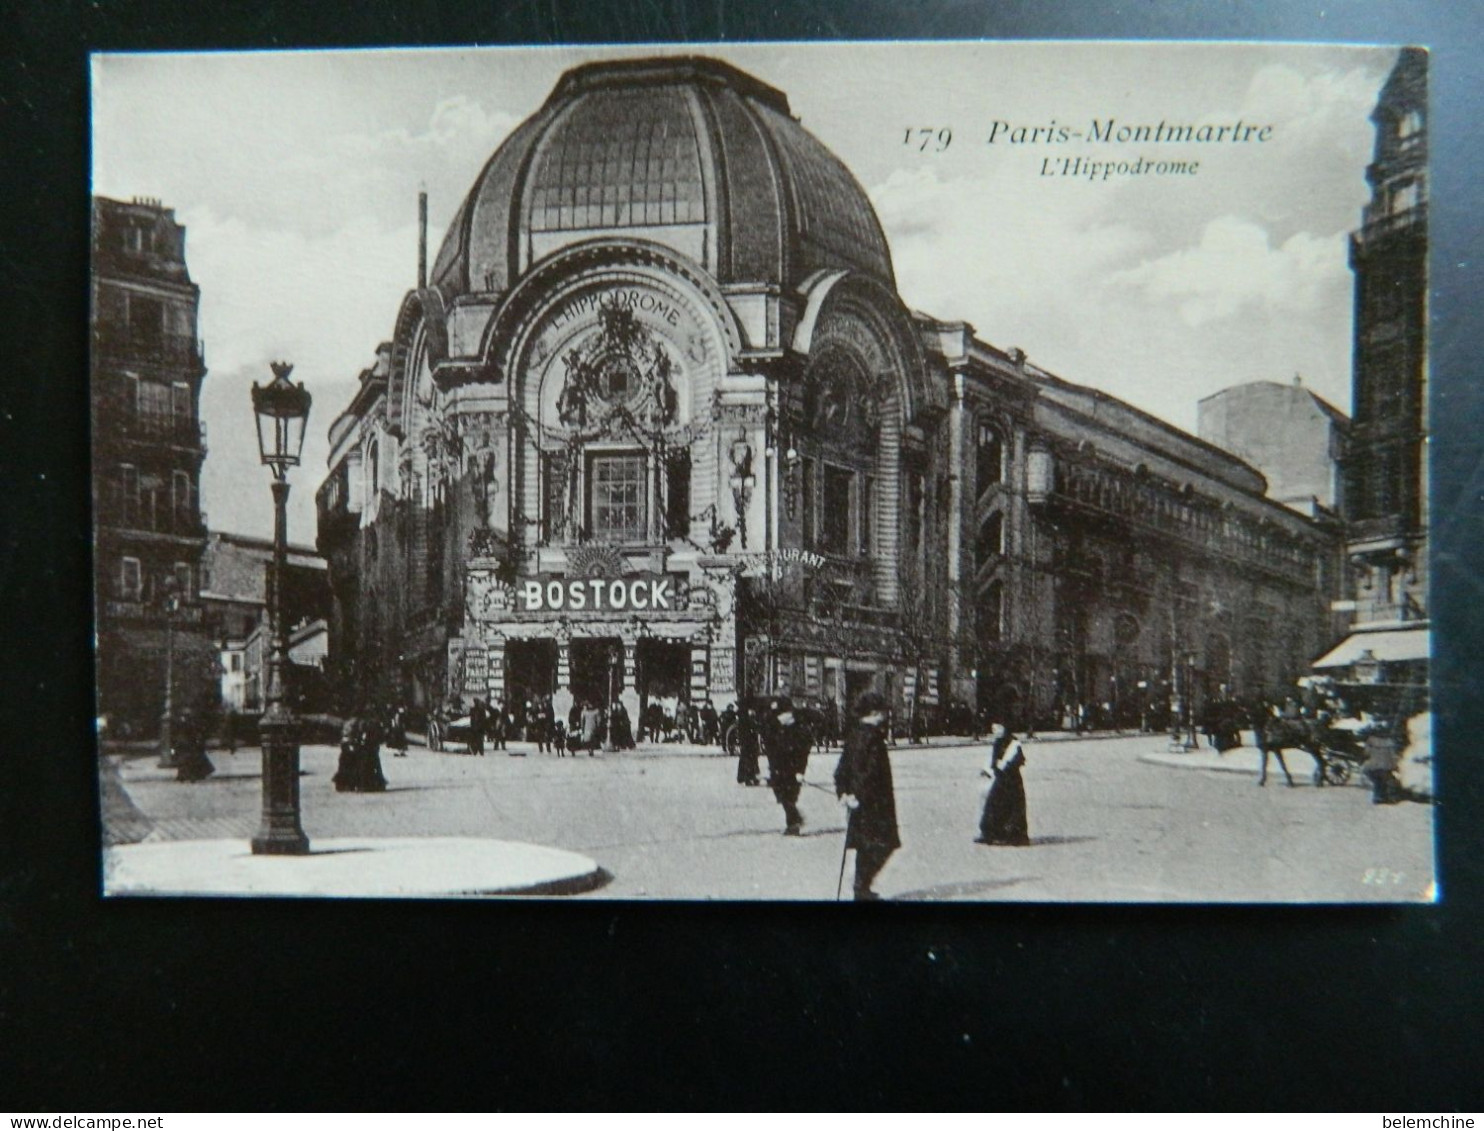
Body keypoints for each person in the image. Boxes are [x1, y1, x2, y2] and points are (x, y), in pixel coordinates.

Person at [834, 692, 899, 900]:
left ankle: (861, 887)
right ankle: (861, 886)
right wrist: (858, 797)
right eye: (883, 712)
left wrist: (843, 793)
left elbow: (841, 769)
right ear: (874, 713)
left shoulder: (853, 735)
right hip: (873, 803)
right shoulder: (873, 738)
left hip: (857, 801)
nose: (885, 715)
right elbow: (870, 773)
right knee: (884, 843)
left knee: (865, 845)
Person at [764, 696, 812, 835]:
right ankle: (795, 820)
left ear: (789, 714)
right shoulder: (777, 727)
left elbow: (803, 753)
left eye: (781, 715)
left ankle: (793, 824)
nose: (778, 717)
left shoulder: (799, 730)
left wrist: (800, 772)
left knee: (789, 797)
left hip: (792, 770)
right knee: (781, 795)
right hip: (778, 769)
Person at [977, 725, 1029, 846]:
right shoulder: (998, 742)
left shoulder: (1014, 743)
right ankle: (991, 833)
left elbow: (1019, 759)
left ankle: (1013, 835)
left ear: (1005, 728)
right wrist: (988, 769)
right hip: (1001, 779)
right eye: (993, 728)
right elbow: (992, 760)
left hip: (1012, 781)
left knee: (1012, 807)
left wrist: (1005, 766)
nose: (994, 730)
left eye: (997, 727)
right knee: (993, 805)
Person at [173, 707, 216, 783]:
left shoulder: (185, 723)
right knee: (189, 760)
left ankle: (185, 776)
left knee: (187, 760)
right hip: (187, 743)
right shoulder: (188, 723)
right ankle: (187, 775)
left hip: (186, 743)